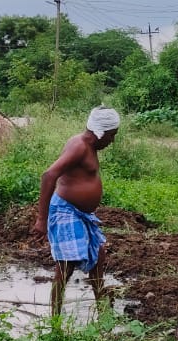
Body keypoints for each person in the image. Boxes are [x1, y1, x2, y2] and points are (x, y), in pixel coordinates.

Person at [32, 106, 120, 317]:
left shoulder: (88, 147)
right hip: (66, 211)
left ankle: (104, 317)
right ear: (101, 132)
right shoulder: (79, 146)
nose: (112, 141)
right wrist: (42, 219)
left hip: (82, 215)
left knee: (99, 257)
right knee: (65, 267)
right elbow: (49, 175)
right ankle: (55, 322)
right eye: (111, 135)